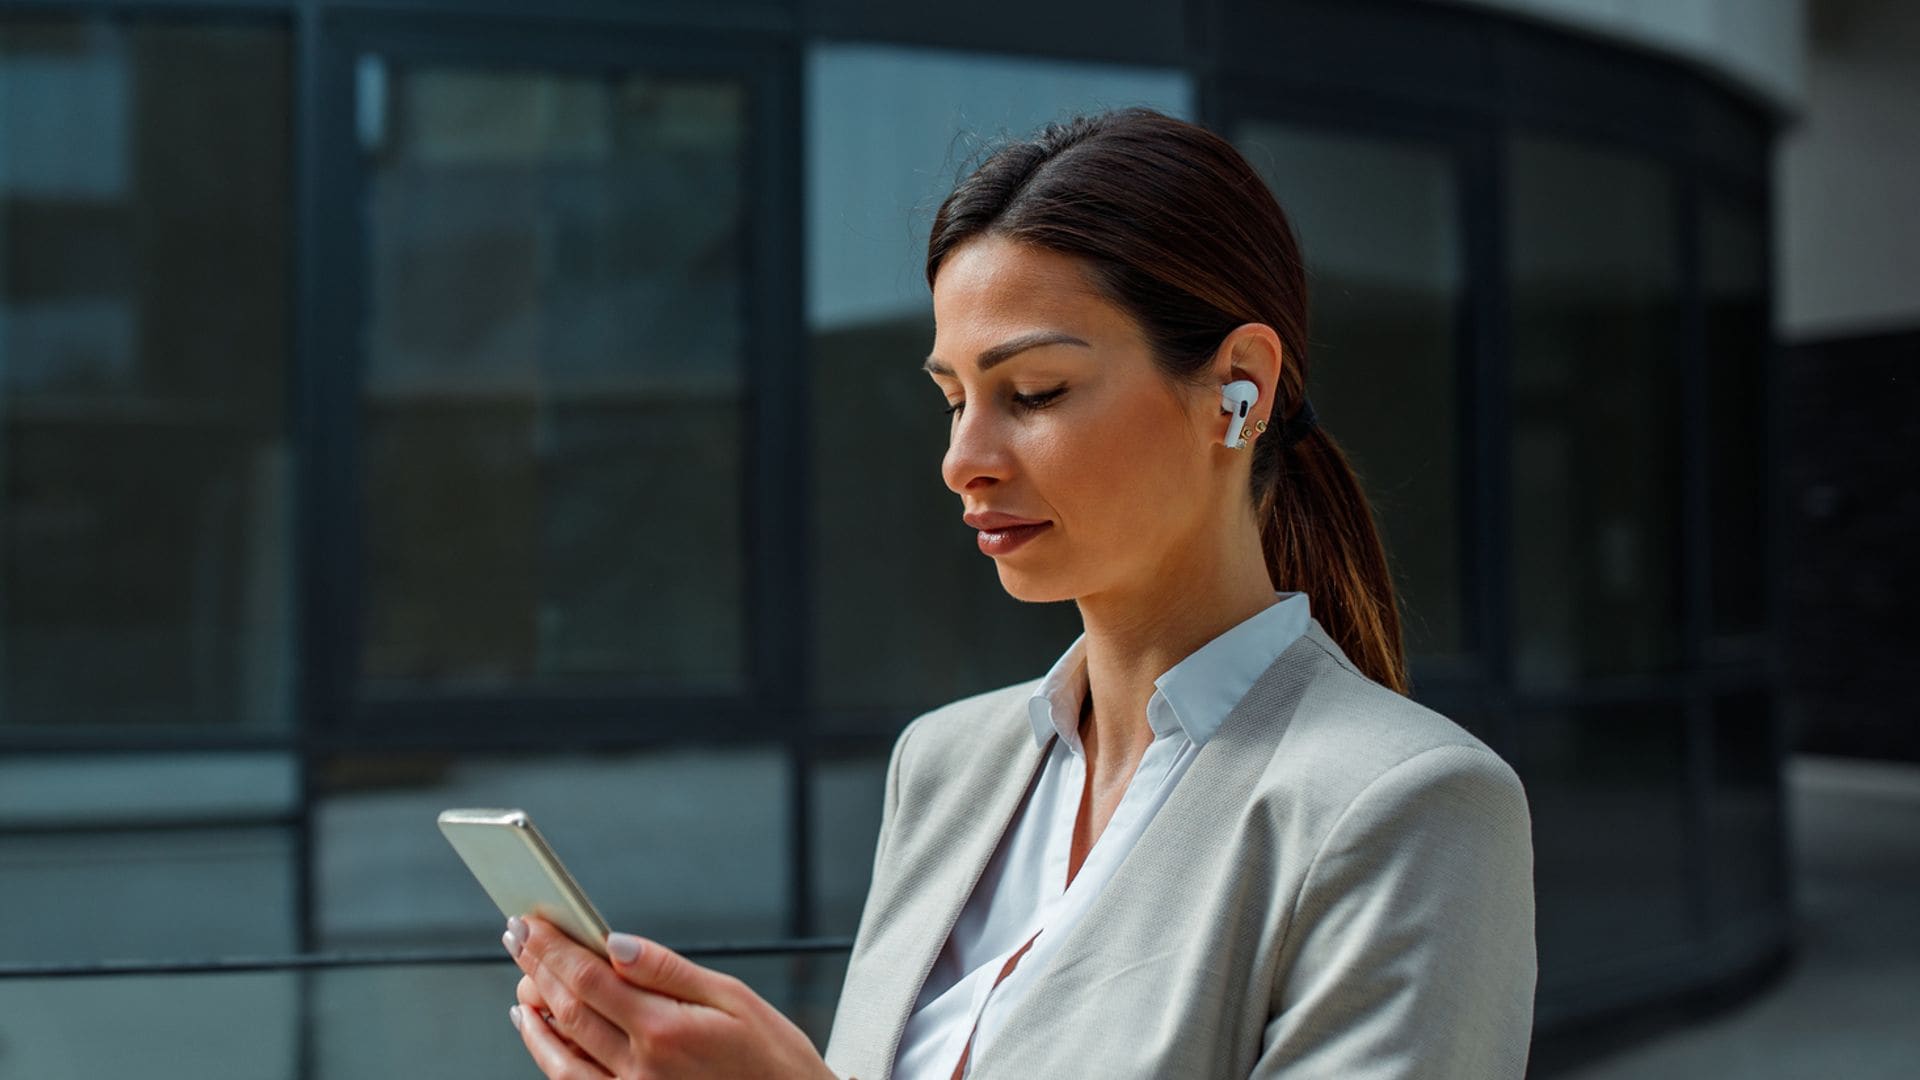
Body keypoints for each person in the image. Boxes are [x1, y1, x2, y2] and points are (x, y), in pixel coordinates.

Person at [502, 106, 1536, 1079]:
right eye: (952, 399)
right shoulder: (946, 768)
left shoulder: (1407, 807)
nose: (964, 459)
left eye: (1033, 393)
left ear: (1241, 390)